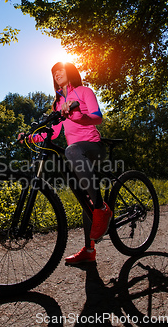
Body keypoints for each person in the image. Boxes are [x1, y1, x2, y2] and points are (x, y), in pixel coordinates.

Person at [27, 62, 112, 264]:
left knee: (71, 150)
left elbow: (97, 118)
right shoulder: (58, 104)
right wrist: (31, 137)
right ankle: (89, 251)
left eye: (60, 70)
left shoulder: (84, 91)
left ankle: (101, 209)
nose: (56, 73)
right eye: (53, 72)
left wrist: (79, 116)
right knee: (84, 199)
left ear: (70, 72)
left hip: (93, 148)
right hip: (76, 154)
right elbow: (54, 132)